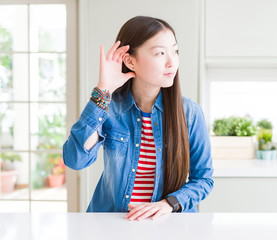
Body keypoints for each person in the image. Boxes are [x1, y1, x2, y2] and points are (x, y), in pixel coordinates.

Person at [63, 16, 214, 221]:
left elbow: (203, 179)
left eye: (175, 51)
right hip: (113, 223)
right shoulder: (109, 107)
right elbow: (75, 160)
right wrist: (102, 91)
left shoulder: (189, 112)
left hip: (168, 225)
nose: (172, 62)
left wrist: (168, 204)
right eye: (160, 53)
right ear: (130, 60)